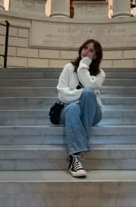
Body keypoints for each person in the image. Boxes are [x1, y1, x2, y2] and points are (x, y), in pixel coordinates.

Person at [57, 39, 105, 178]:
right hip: (67, 110)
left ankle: (76, 152)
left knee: (89, 93)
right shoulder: (68, 68)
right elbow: (62, 95)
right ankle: (75, 157)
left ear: (95, 56)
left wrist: (83, 66)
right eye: (84, 48)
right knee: (74, 107)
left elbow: (89, 87)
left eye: (91, 50)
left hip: (93, 112)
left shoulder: (100, 74)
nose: (86, 51)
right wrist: (82, 94)